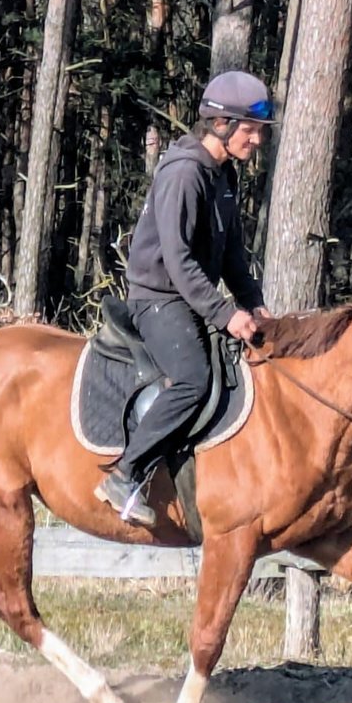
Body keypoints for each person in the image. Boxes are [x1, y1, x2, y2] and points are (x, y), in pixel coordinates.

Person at [94, 70, 274, 527]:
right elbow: (176, 259)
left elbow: (232, 252)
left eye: (258, 132)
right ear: (221, 125)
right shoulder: (184, 173)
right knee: (193, 379)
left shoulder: (223, 175)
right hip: (158, 297)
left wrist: (252, 303)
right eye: (250, 130)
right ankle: (125, 473)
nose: (256, 140)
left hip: (189, 296)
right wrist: (223, 313)